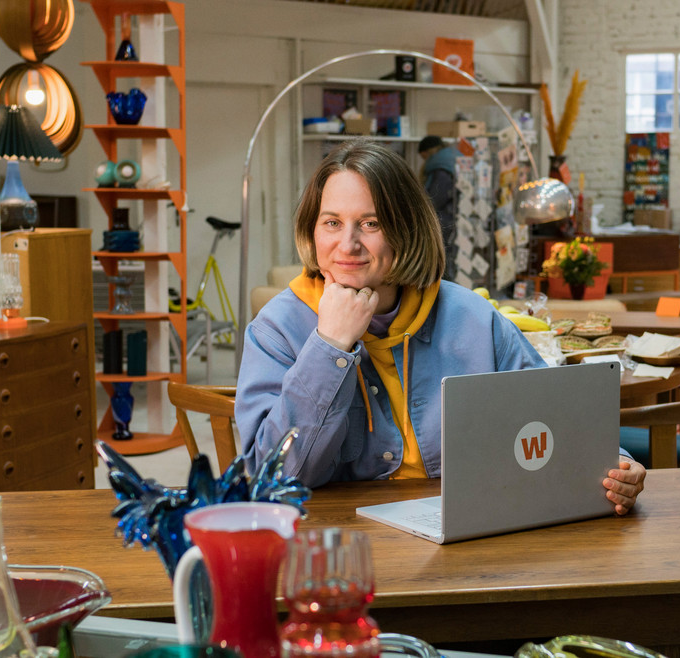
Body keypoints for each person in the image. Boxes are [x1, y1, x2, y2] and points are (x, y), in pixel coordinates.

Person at [235, 139, 644, 515]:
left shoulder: (473, 318)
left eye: (371, 223)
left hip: (468, 530)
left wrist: (616, 465)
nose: (348, 244)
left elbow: (555, 416)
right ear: (311, 229)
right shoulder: (277, 329)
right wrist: (331, 346)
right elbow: (270, 479)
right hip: (337, 545)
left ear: (405, 231)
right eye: (331, 223)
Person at [417, 135, 459, 281]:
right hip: (454, 218)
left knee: (445, 260)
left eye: (423, 156)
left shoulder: (440, 167)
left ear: (429, 152)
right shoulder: (451, 160)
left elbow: (435, 198)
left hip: (446, 222)